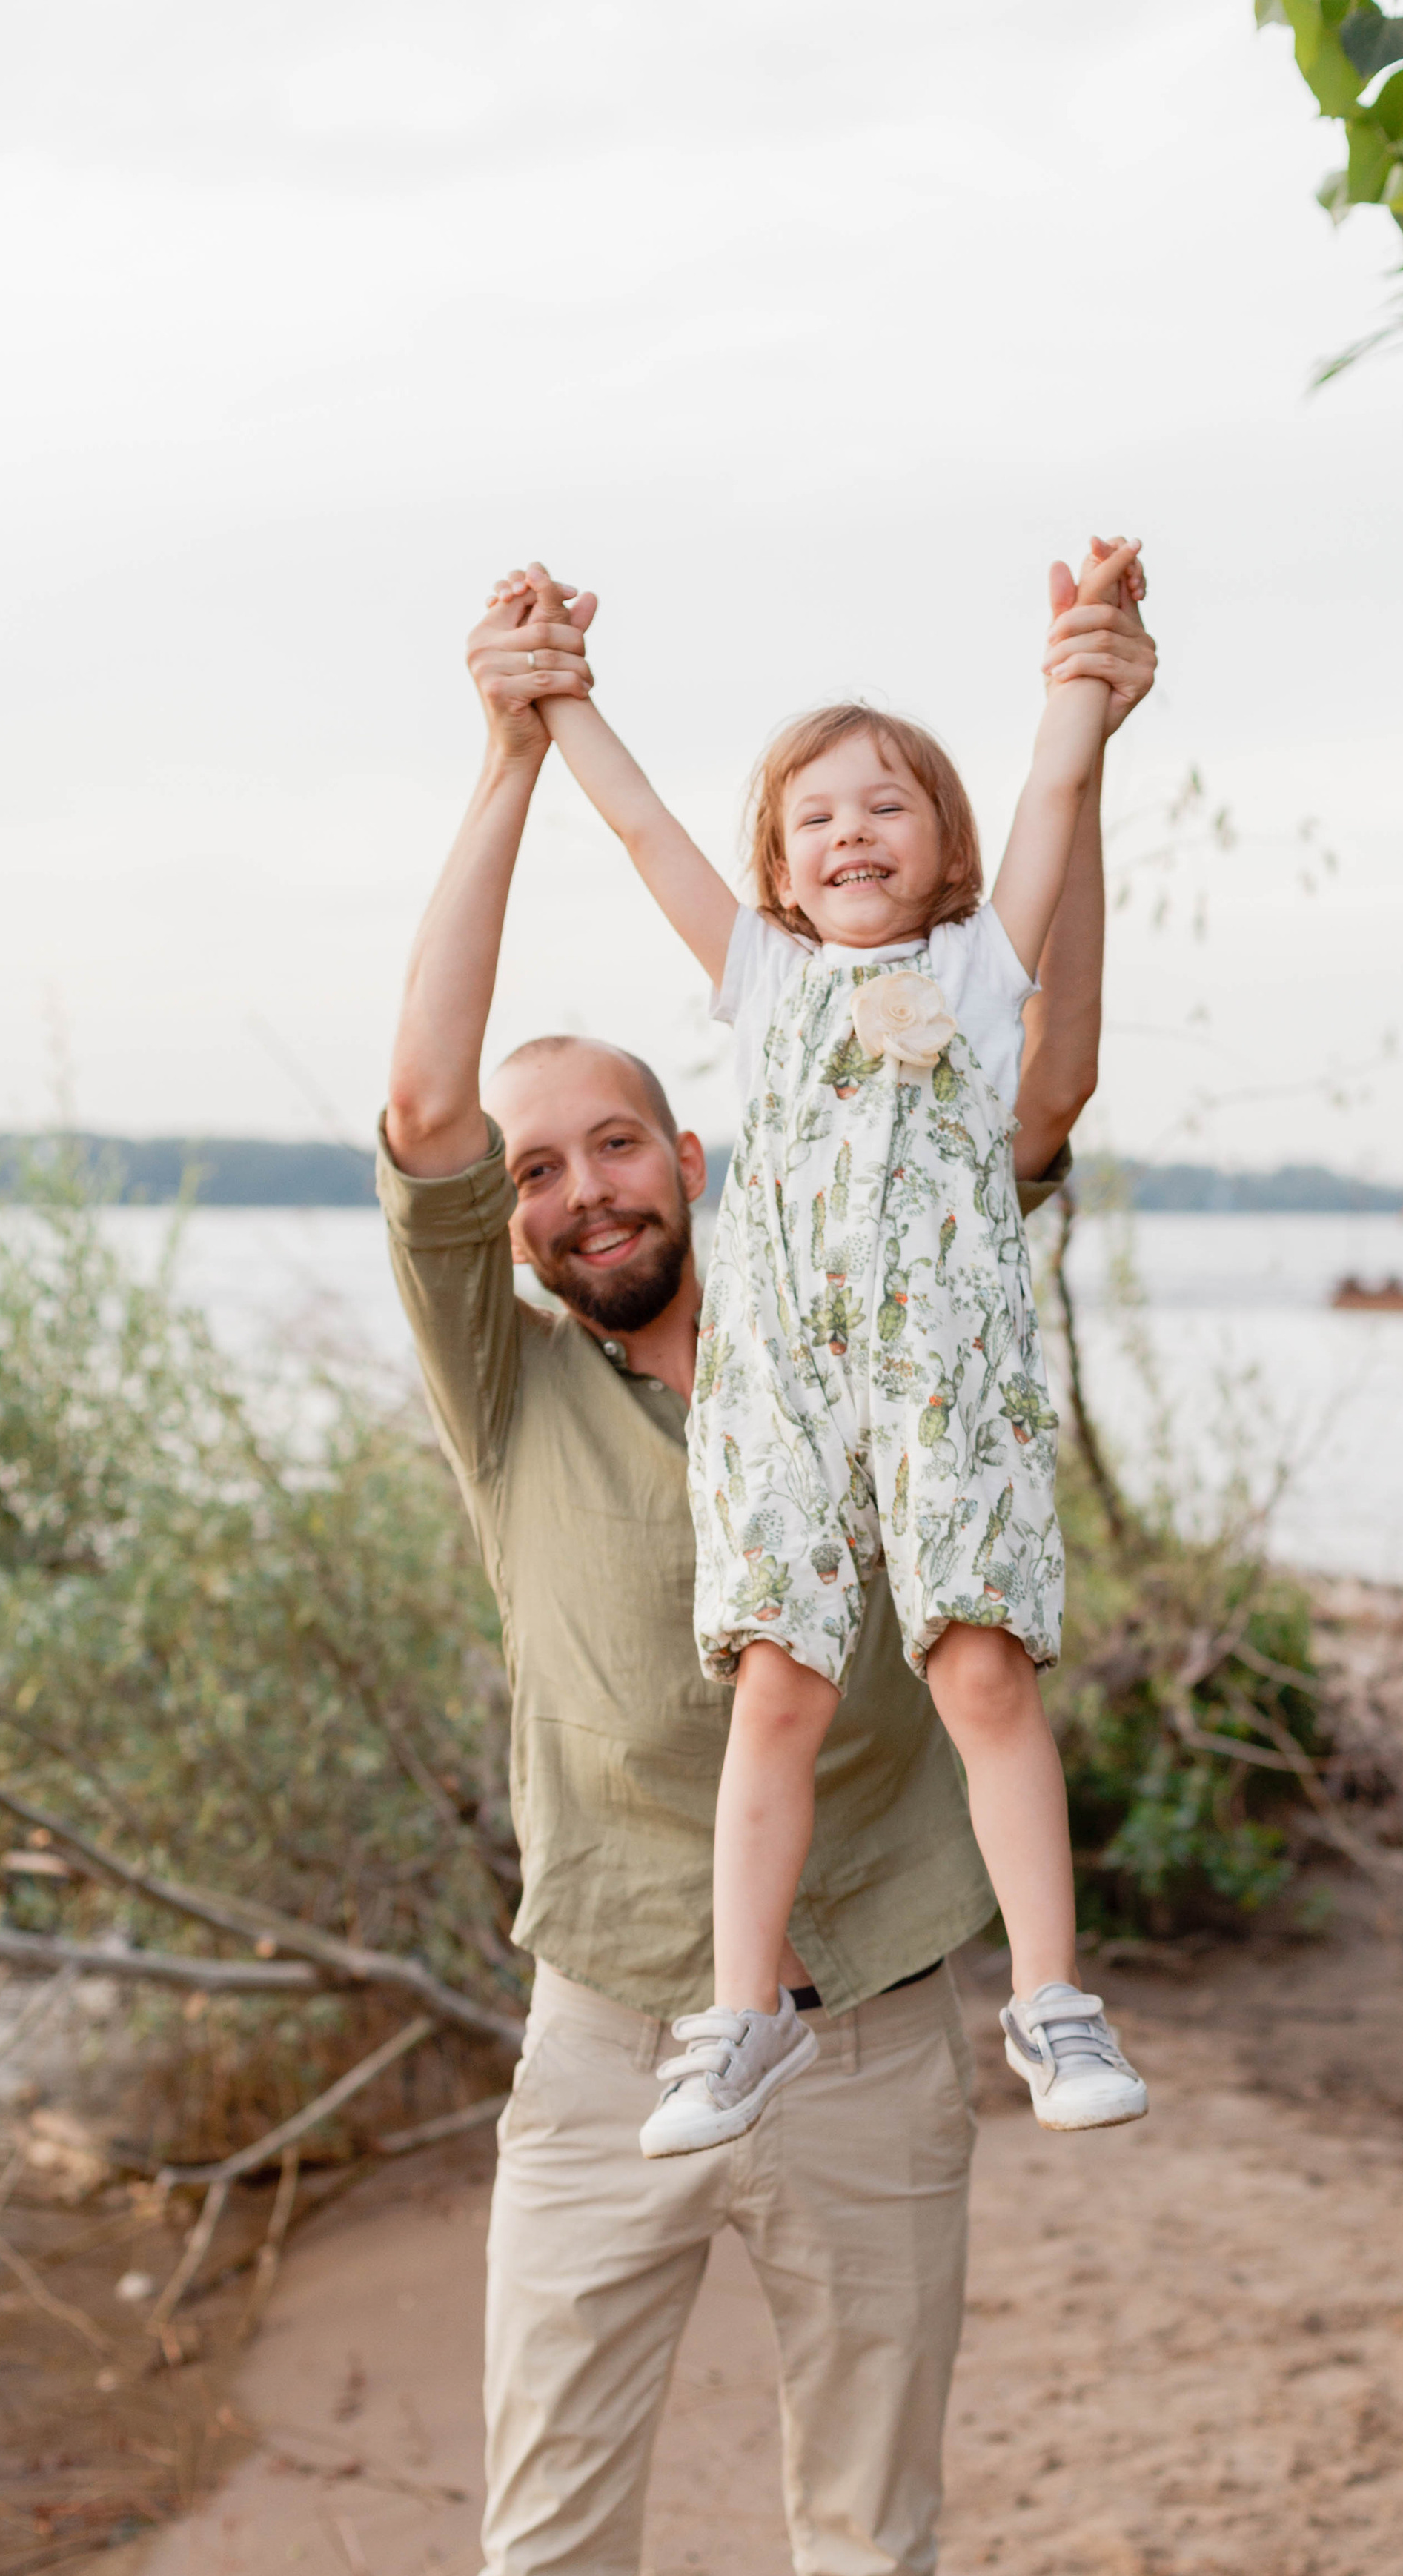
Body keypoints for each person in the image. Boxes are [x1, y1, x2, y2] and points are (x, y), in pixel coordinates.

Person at [381, 556, 1154, 2576]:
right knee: (545, 2572)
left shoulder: (863, 1225)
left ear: (697, 1149)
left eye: (618, 1140)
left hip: (888, 2025)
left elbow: (1038, 1047)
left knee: (872, 2573)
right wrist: (519, 749)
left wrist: (1079, 727)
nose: (582, 1187)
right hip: (613, 2036)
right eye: (540, 1173)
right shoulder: (503, 1391)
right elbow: (429, 1091)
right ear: (511, 1226)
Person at [505, 552, 1150, 2155]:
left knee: (978, 1670)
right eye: (815, 818)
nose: (850, 832)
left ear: (943, 855)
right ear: (781, 874)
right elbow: (644, 823)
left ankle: (1052, 2005)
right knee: (776, 1692)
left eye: (887, 808)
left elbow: (1059, 783)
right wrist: (562, 697)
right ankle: (740, 2019)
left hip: (948, 1389)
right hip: (781, 1394)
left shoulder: (977, 978)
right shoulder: (763, 980)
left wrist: (1082, 667)